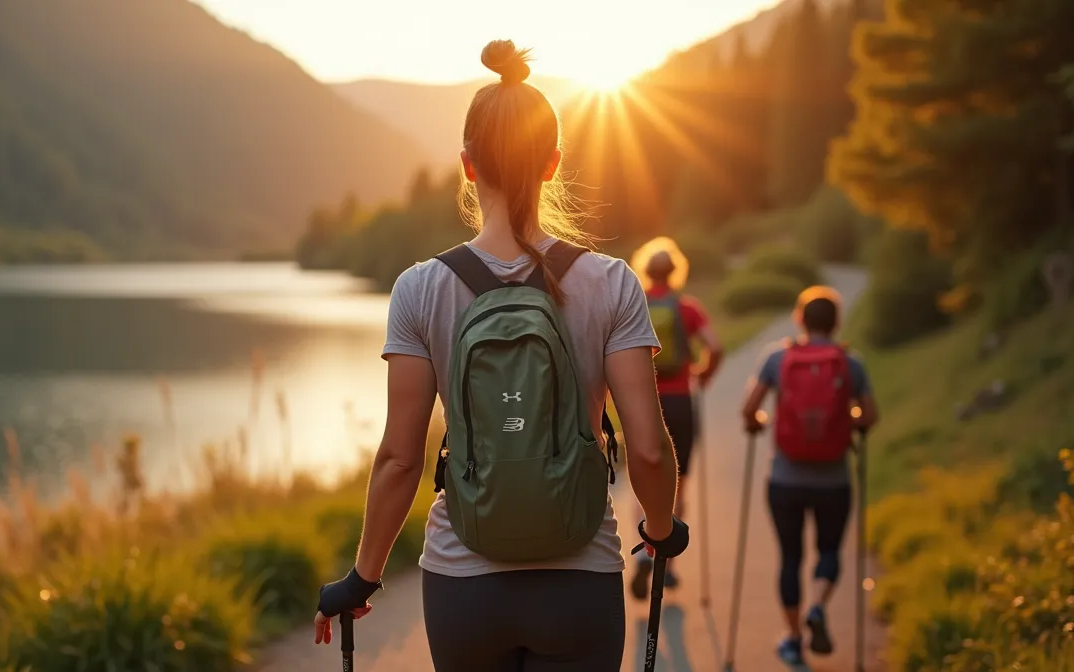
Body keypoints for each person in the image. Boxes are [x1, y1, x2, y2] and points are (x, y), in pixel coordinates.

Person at [311, 40, 688, 671]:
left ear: (466, 165)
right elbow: (648, 447)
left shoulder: (420, 288)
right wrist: (658, 528)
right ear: (552, 163)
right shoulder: (611, 282)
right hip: (580, 579)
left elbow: (401, 458)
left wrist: (364, 577)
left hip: (464, 583)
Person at [740, 285, 878, 667]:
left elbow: (748, 409)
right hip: (834, 480)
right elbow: (868, 417)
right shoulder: (851, 364)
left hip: (785, 479)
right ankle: (817, 606)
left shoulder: (777, 358)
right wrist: (847, 419)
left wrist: (760, 421)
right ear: (836, 323)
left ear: (799, 318)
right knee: (829, 551)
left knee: (790, 558)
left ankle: (794, 638)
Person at [627, 238, 724, 598]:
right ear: (675, 270)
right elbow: (714, 346)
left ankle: (642, 554)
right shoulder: (687, 308)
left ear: (646, 270)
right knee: (676, 479)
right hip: (681, 400)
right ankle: (666, 562)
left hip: (642, 400)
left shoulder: (636, 303)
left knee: (643, 474)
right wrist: (702, 374)